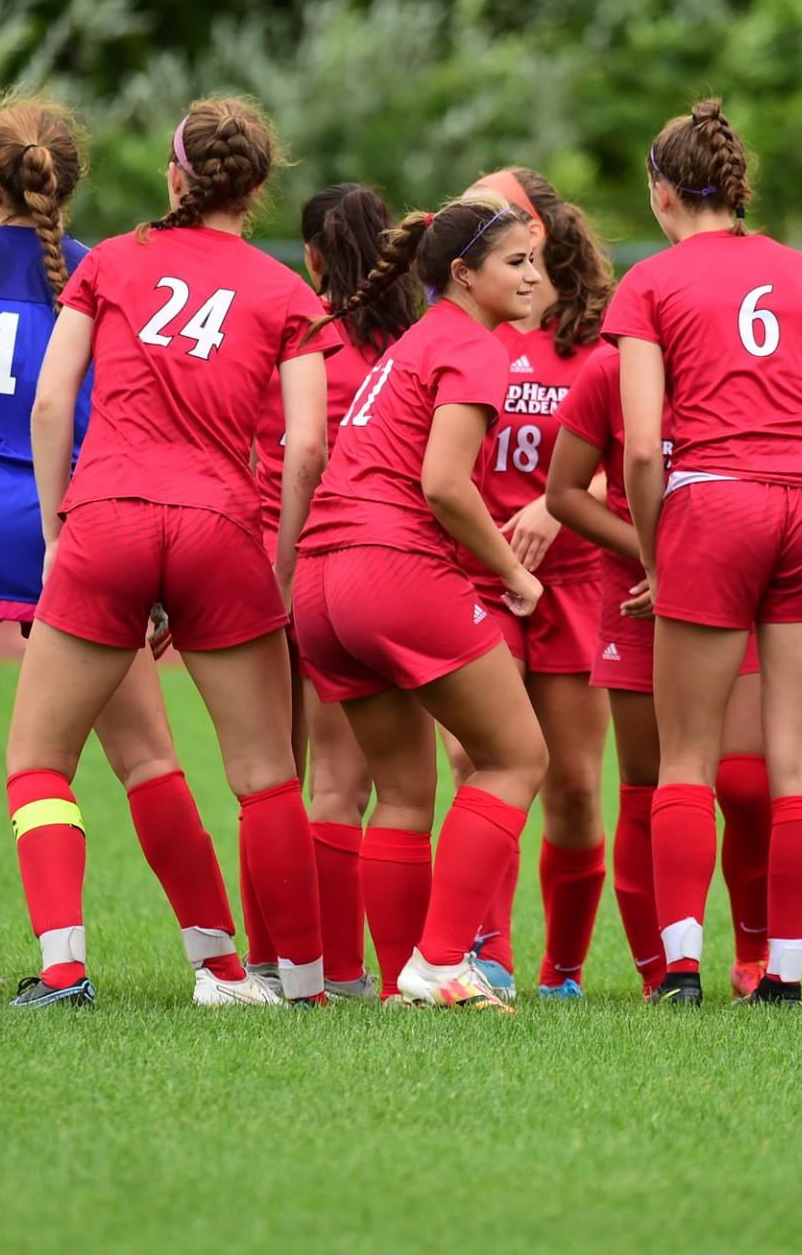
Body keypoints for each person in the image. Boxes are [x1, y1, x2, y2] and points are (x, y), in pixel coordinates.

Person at [0, 98, 221, 1008]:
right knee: (148, 757)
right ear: (71, 179)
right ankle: (218, 964)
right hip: (71, 527)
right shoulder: (110, 272)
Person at [7, 95, 334, 1008]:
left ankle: (65, 969)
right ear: (259, 187)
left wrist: (53, 534)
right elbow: (305, 446)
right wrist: (278, 563)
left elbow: (47, 403)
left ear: (173, 172)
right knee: (267, 777)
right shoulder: (285, 291)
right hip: (221, 526)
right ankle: (299, 988)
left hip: (106, 514)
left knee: (38, 758)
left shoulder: (111, 260)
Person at [605, 98, 802, 1006]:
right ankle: (785, 977)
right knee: (797, 760)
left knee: (688, 756)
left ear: (661, 191)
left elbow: (643, 447)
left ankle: (682, 967)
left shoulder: (649, 281)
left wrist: (654, 550)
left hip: (715, 502)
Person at [294, 192, 548, 1010]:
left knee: (403, 792)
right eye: (515, 261)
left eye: (534, 259)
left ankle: (412, 979)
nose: (533, 274)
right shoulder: (474, 348)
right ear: (464, 275)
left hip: (321, 582)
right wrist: (513, 570)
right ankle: (440, 963)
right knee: (517, 758)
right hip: (390, 569)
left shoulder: (415, 340)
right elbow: (443, 484)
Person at [546, 340, 771, 999]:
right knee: (647, 787)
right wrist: (656, 559)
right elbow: (563, 493)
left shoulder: (738, 360)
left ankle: (753, 956)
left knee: (748, 784)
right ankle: (661, 972)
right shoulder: (609, 369)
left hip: (730, 594)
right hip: (638, 602)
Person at [438, 167, 615, 1002]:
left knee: (576, 784)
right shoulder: (462, 330)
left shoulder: (600, 345)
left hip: (575, 581)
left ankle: (565, 972)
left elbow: (630, 467)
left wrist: (563, 504)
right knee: (485, 759)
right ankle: (489, 953)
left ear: (540, 233)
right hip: (475, 578)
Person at [243, 183, 416, 1001]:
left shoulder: (295, 324)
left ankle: (277, 963)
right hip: (385, 565)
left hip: (277, 558)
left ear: (313, 253)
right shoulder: (417, 336)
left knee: (273, 776)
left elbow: (259, 443)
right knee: (359, 785)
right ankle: (348, 973)